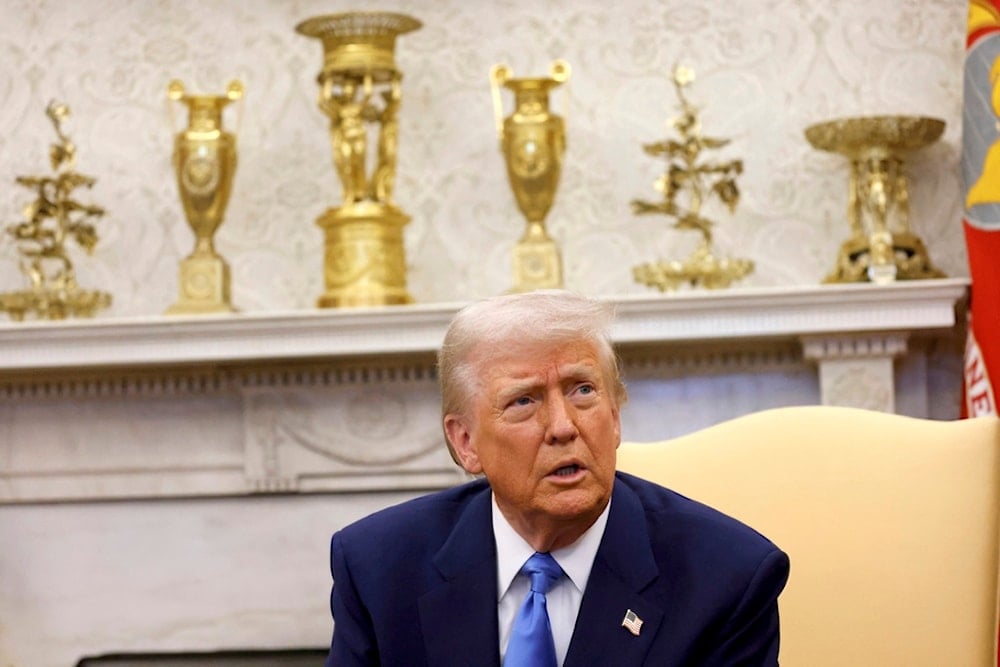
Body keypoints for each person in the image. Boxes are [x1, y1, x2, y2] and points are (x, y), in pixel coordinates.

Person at [323, 290, 789, 666]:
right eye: (524, 401)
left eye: (582, 390)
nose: (564, 426)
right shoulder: (378, 569)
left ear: (615, 415)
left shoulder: (727, 578)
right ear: (465, 442)